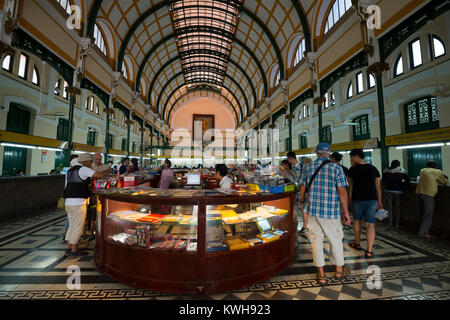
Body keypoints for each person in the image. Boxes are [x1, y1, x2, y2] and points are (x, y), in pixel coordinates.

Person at [299, 143, 351, 284]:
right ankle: (339, 271)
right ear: (329, 153)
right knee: (336, 241)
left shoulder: (308, 167)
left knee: (316, 242)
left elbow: (302, 187)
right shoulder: (336, 168)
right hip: (331, 212)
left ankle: (321, 275)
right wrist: (346, 212)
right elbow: (341, 191)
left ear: (316, 152)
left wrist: (302, 201)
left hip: (312, 211)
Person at [63, 153, 111, 258]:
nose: (91, 164)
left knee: (72, 225)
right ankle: (74, 250)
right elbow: (100, 175)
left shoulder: (70, 170)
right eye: (90, 162)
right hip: (78, 203)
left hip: (68, 202)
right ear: (85, 162)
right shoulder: (83, 169)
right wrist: (108, 170)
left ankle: (69, 246)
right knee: (78, 227)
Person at [348, 149, 383, 259]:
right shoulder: (373, 169)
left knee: (357, 221)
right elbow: (378, 186)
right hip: (372, 200)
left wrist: (349, 196)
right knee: (370, 224)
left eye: (352, 157)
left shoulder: (353, 169)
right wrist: (379, 201)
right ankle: (369, 250)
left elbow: (349, 184)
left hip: (357, 199)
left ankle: (357, 244)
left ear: (357, 156)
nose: (351, 160)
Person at [416, 161, 448, 239]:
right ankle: (423, 233)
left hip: (418, 193)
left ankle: (422, 230)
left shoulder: (422, 170)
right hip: (428, 194)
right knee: (428, 214)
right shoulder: (438, 171)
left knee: (421, 213)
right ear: (436, 166)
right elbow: (444, 181)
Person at [382, 160, 410, 228]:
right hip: (398, 191)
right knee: (398, 207)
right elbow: (408, 180)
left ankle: (390, 223)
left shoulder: (385, 170)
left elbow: (383, 180)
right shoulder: (402, 170)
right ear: (399, 165)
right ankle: (397, 224)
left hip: (388, 190)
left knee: (389, 208)